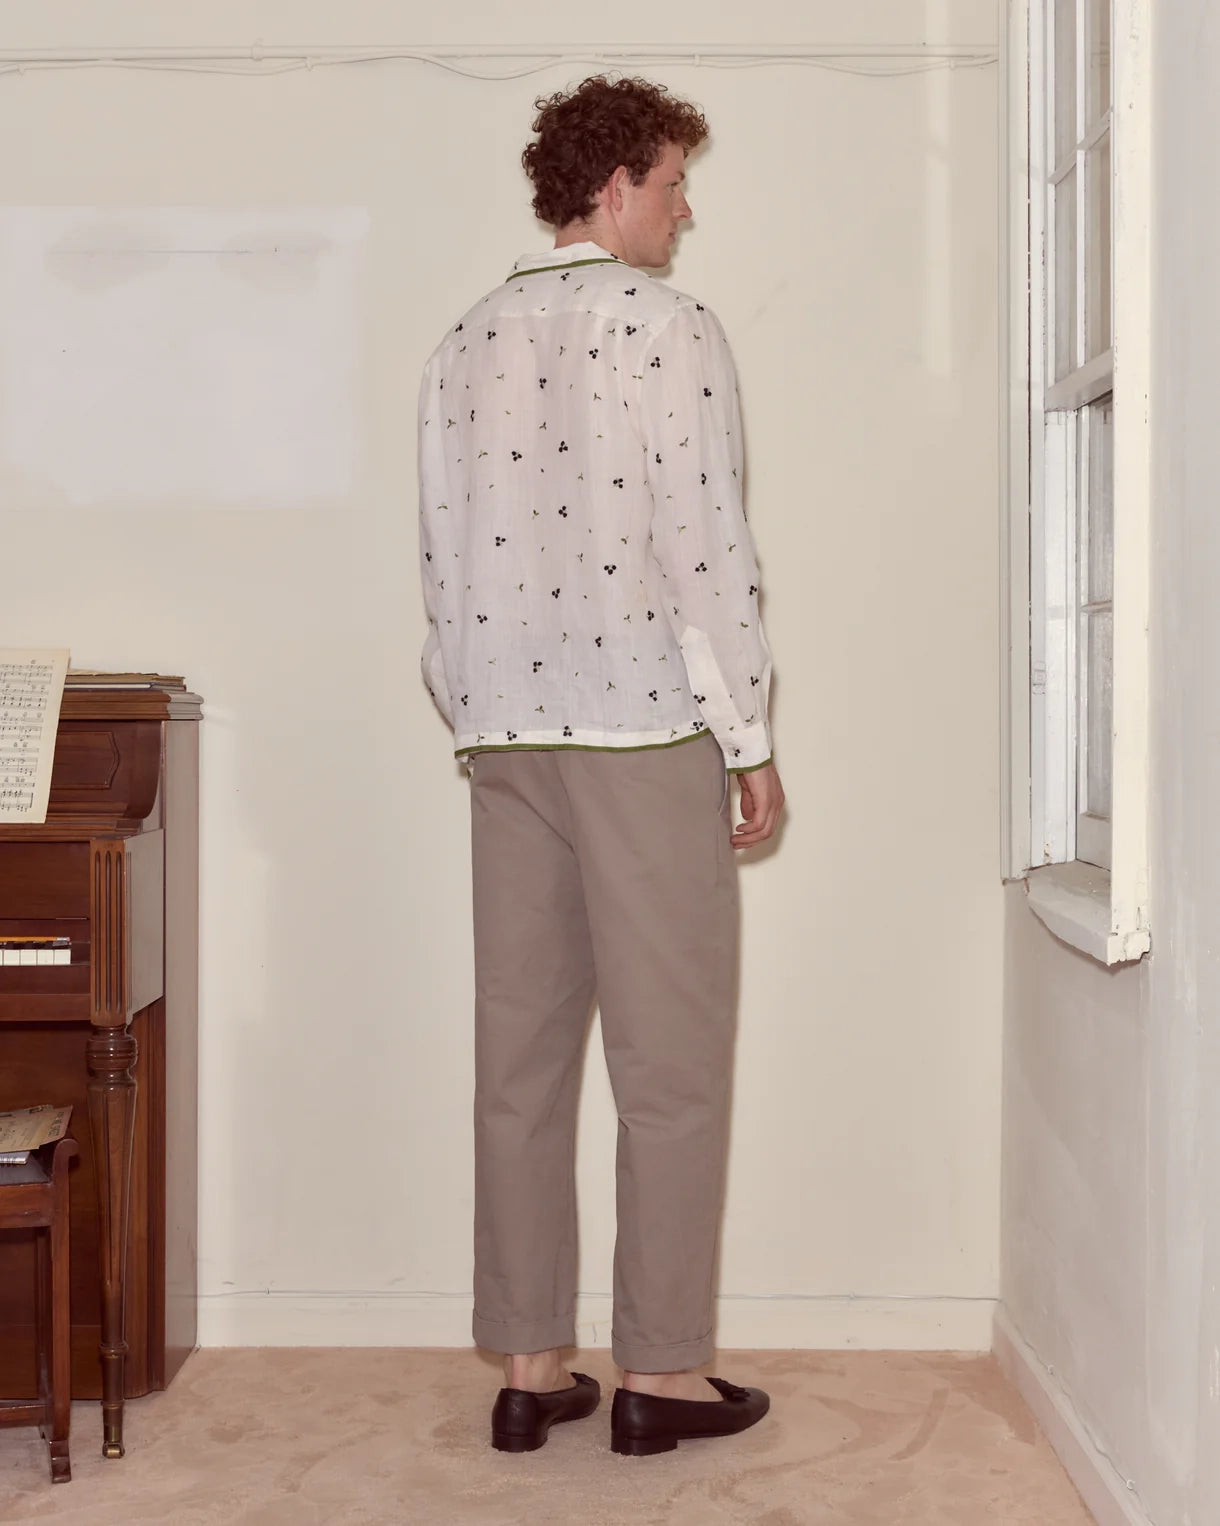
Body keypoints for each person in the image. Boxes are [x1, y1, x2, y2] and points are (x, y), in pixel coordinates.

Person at [417, 74, 784, 1457]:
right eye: (677, 182)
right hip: (640, 731)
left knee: (518, 1059)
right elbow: (708, 548)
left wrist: (478, 708)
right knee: (669, 1061)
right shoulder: (668, 330)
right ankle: (663, 1374)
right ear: (616, 182)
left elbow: (442, 561)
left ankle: (526, 1365)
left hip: (506, 734)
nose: (688, 212)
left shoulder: (463, 340)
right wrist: (748, 731)